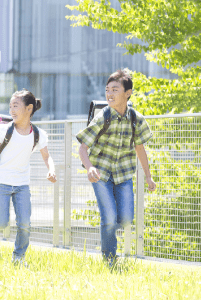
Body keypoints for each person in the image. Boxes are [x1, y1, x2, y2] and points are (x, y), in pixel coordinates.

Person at [76, 70, 156, 266]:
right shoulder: (103, 116)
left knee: (127, 219)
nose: (109, 94)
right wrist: (89, 168)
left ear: (128, 93)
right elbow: (82, 147)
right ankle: (110, 258)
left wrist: (148, 176)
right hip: (101, 173)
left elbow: (140, 148)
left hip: (124, 174)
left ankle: (108, 229)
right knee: (110, 217)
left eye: (115, 89)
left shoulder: (136, 119)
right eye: (107, 90)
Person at [0, 89, 57, 266]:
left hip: (22, 185)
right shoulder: (4, 130)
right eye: (10, 106)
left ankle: (18, 257)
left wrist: (51, 169)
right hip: (1, 183)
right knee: (1, 221)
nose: (11, 110)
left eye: (16, 106)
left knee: (25, 223)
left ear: (29, 108)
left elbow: (46, 156)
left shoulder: (38, 134)